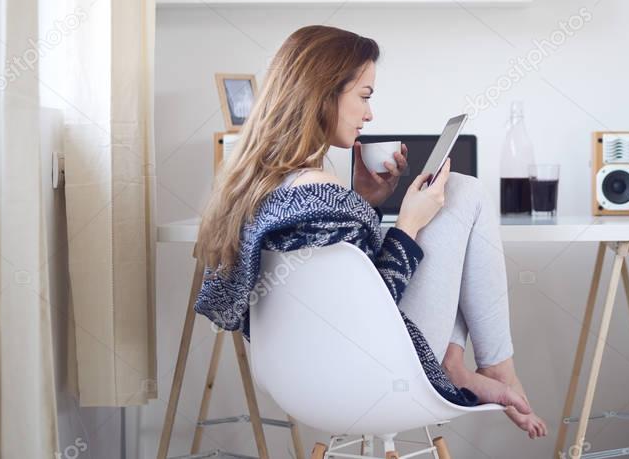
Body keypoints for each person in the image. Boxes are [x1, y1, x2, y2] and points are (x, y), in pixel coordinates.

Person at [193, 25, 547, 439]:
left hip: (296, 376)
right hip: (368, 370)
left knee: (456, 209)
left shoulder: (269, 184)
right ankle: (495, 366)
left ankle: (462, 364)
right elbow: (371, 311)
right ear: (322, 93)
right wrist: (409, 222)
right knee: (464, 192)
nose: (369, 113)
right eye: (364, 96)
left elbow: (337, 285)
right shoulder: (320, 194)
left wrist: (365, 202)